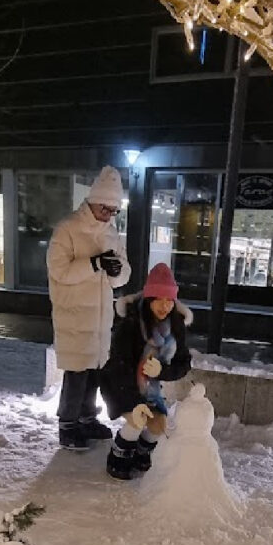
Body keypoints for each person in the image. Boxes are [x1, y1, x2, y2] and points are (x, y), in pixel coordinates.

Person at [47, 166, 131, 450]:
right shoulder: (67, 229)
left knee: (95, 371)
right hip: (74, 315)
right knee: (76, 374)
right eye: (104, 208)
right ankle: (68, 425)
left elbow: (123, 274)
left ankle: (87, 418)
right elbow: (59, 271)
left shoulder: (112, 233)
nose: (108, 214)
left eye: (113, 210)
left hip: (100, 317)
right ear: (92, 201)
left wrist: (117, 271)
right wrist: (94, 263)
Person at [100, 263, 192, 479]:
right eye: (158, 299)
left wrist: (162, 371)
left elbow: (184, 364)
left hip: (151, 389)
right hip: (121, 384)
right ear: (149, 298)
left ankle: (140, 453)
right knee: (137, 420)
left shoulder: (175, 326)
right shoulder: (131, 323)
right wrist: (134, 402)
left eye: (169, 300)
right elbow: (120, 365)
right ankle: (118, 458)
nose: (164, 305)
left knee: (158, 425)